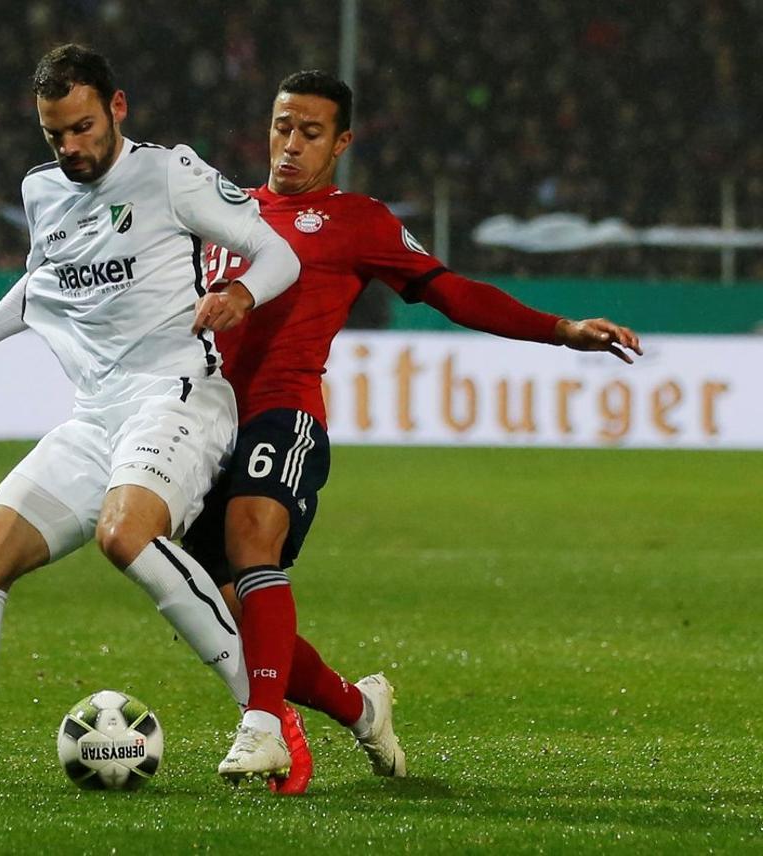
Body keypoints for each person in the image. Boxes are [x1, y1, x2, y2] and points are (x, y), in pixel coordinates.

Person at [0, 44, 300, 788]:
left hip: (178, 392)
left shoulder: (168, 172)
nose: (71, 148)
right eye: (56, 135)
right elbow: (42, 281)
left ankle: (270, 720)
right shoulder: (42, 190)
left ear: (117, 108)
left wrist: (241, 296)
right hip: (96, 415)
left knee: (125, 533)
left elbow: (277, 254)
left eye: (82, 128)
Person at [183, 70, 643, 790]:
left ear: (341, 143)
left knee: (252, 543)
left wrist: (562, 331)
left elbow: (452, 291)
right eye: (282, 127)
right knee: (231, 615)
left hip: (286, 411)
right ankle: (361, 709)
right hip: (204, 425)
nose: (290, 146)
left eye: (310, 133)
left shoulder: (358, 219)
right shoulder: (220, 209)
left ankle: (264, 726)